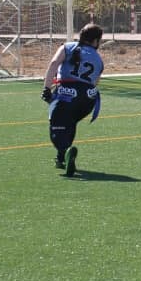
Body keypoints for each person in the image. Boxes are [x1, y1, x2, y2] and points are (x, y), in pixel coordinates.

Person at [42, 23, 104, 178]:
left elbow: (54, 64)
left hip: (67, 94)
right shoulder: (98, 59)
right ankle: (61, 157)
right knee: (69, 122)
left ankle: (65, 151)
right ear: (95, 41)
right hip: (88, 99)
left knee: (57, 124)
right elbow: (95, 82)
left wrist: (47, 88)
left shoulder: (67, 47)